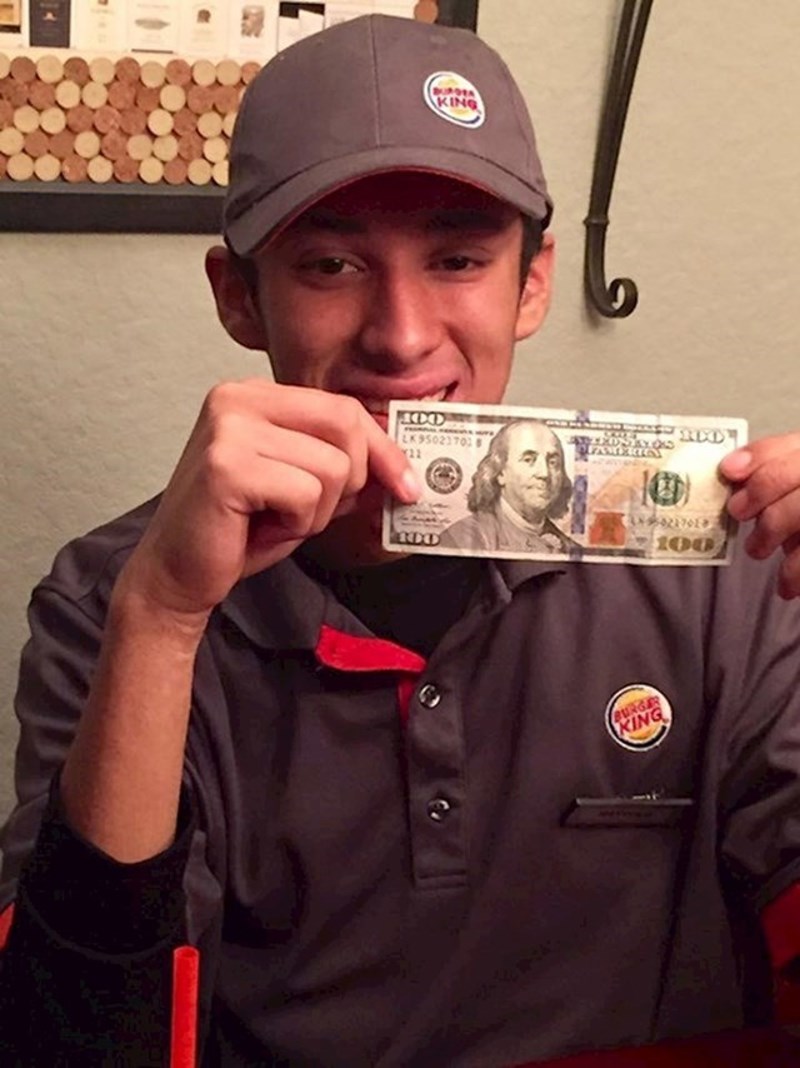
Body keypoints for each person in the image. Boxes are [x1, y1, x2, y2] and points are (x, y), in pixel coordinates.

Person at [2, 13, 800, 1068]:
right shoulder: (117, 602)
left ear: (531, 283)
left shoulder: (725, 577)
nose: (403, 335)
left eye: (458, 259)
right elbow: (72, 1041)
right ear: (240, 299)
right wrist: (159, 620)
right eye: (330, 265)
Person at [438, 419, 577, 554]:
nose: (544, 473)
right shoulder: (460, 539)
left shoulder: (571, 549)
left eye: (553, 462)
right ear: (500, 473)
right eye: (528, 460)